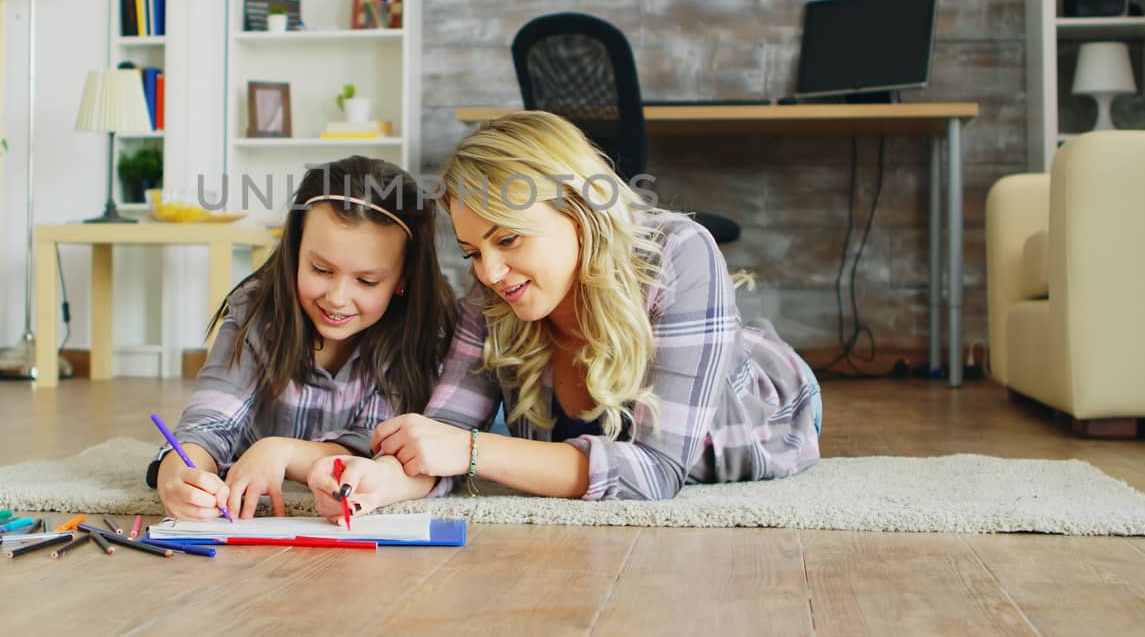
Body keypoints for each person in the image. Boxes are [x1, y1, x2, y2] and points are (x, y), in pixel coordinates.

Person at [306, 111, 821, 519]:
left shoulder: (680, 251)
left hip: (766, 401)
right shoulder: (494, 286)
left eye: (508, 238)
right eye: (472, 251)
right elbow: (445, 431)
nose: (489, 271)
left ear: (578, 211)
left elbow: (655, 472)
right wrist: (378, 482)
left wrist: (470, 449)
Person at [147, 155, 457, 521]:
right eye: (320, 269)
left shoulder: (425, 330)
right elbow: (206, 426)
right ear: (294, 251)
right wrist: (182, 478)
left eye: (367, 281)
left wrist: (281, 452)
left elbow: (376, 452)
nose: (338, 298)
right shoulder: (256, 312)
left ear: (403, 277)